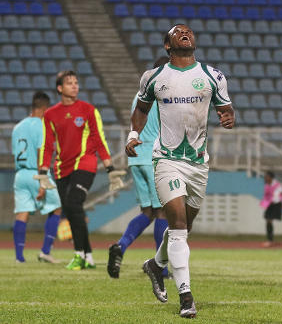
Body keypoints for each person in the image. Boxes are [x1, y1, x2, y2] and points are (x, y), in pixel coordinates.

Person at [125, 23, 235, 318]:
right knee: (177, 225)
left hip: (198, 163)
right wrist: (133, 136)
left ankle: (155, 264)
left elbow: (227, 109)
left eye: (188, 30)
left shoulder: (213, 76)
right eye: (177, 31)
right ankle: (186, 296)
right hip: (166, 159)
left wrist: (227, 118)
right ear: (167, 45)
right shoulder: (154, 77)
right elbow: (141, 110)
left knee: (185, 226)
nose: (184, 32)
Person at [37, 70, 125, 270]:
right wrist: (43, 171)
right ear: (60, 88)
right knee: (72, 210)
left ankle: (78, 255)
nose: (75, 86)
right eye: (69, 83)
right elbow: (48, 145)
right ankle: (89, 257)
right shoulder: (50, 114)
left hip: (85, 164)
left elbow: (99, 140)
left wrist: (110, 167)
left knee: (72, 203)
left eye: (76, 82)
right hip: (61, 169)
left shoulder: (88, 110)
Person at [107, 56, 170, 279]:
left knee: (148, 211)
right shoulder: (164, 94)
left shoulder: (139, 94)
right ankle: (160, 267)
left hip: (135, 159)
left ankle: (120, 246)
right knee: (163, 212)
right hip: (153, 159)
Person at [12, 92, 62, 264]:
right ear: (45, 109)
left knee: (22, 214)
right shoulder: (42, 125)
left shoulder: (17, 127)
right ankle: (45, 252)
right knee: (56, 208)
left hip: (19, 174)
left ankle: (19, 257)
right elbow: (42, 151)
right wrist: (42, 182)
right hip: (37, 172)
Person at [260, 171, 282, 247]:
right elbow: (267, 195)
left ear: (271, 178)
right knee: (268, 220)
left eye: (267, 177)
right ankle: (270, 240)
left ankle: (270, 241)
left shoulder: (277, 185)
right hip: (270, 204)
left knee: (269, 220)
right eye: (265, 177)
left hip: (276, 204)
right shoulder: (267, 185)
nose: (265, 178)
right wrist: (264, 202)